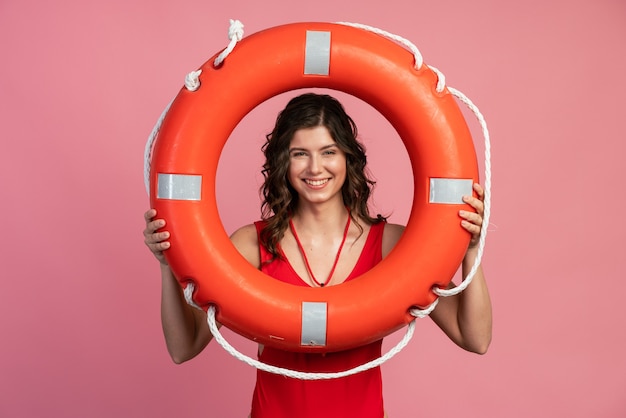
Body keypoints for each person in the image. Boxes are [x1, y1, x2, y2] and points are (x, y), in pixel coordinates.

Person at [143, 93, 492, 418]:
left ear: (348, 157)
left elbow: (474, 338)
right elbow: (183, 347)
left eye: (328, 152)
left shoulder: (391, 245)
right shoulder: (252, 245)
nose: (315, 168)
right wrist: (167, 266)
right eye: (300, 154)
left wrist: (470, 248)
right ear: (282, 160)